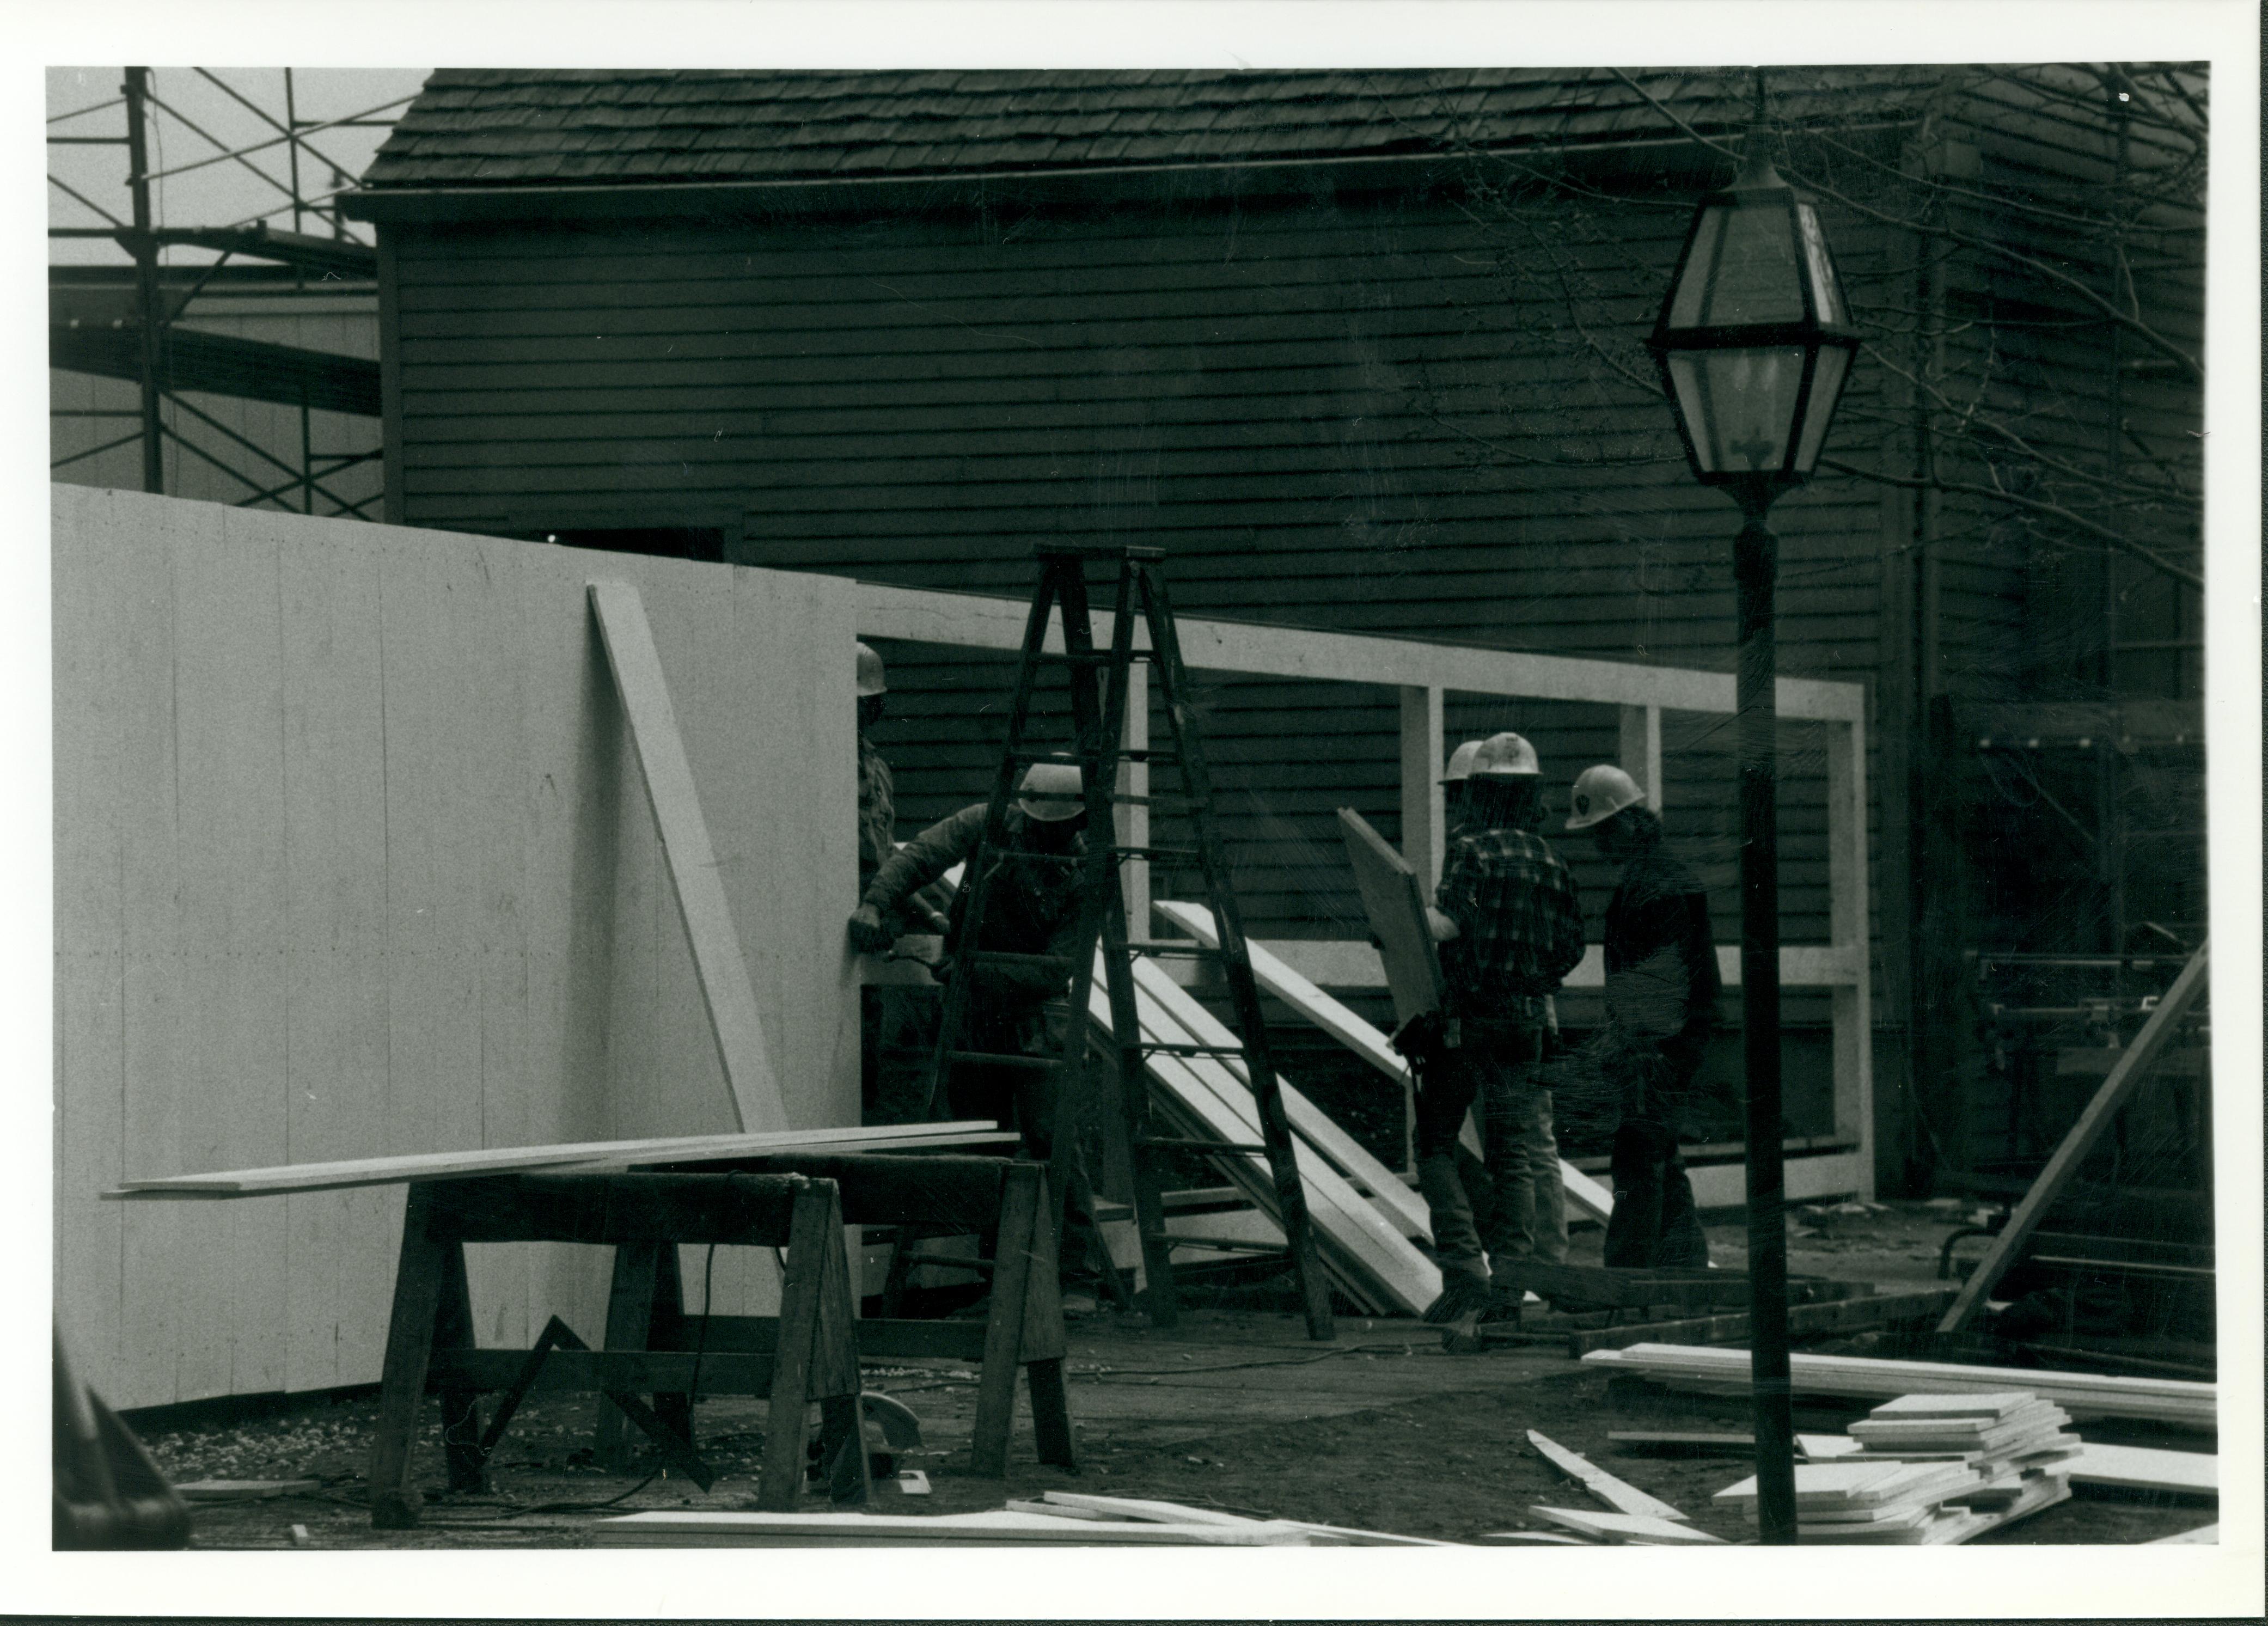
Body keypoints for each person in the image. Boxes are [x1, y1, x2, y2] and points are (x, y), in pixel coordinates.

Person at [1413, 731, 1585, 1322]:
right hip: (1525, 1020)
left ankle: (1464, 1272)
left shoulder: (1473, 852)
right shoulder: (1551, 857)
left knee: (1435, 1144)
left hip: (1470, 1017)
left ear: (1479, 793)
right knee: (1515, 1155)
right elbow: (1570, 948)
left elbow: (1449, 926)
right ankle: (1511, 1288)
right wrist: (1534, 975)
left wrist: (1400, 925)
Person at [849, 760, 1090, 1158]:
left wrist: (971, 969)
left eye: (1055, 825)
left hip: (1039, 1020)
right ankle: (990, 1222)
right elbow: (920, 857)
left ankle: (1073, 1224)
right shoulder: (986, 822)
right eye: (1035, 821)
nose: (1041, 832)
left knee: (1052, 1141)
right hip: (975, 1013)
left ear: (1079, 822)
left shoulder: (1083, 877)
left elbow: (1055, 970)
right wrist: (875, 904)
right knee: (977, 1138)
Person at [1566, 763, 1720, 1269]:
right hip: (1669, 1040)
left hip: (1658, 1043)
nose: (1599, 846)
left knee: (1637, 1155)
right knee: (1658, 1152)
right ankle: (1685, 1267)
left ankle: (1628, 1277)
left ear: (1630, 823)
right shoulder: (1657, 877)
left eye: (1604, 833)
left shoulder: (1654, 885)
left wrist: (1630, 1045)